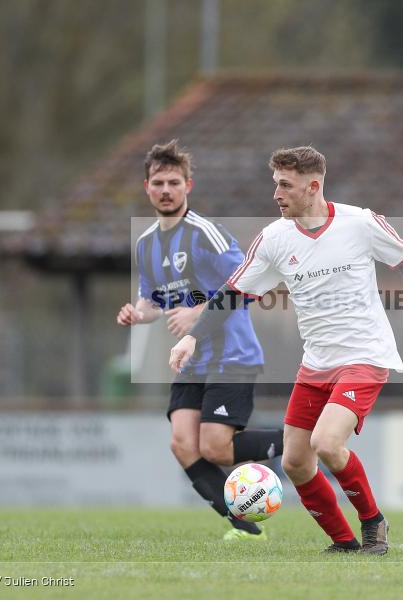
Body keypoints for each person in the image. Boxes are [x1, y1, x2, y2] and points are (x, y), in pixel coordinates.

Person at [170, 146, 403, 554]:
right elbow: (234, 292)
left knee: (328, 444)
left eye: (285, 185)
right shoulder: (273, 239)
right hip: (316, 364)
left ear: (313, 186)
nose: (276, 193)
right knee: (295, 463)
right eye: (275, 184)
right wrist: (192, 335)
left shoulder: (360, 222)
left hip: (364, 357)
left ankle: (373, 522)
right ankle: (344, 544)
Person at [117, 140, 283, 541]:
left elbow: (247, 283)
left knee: (215, 447)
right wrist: (139, 313)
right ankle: (244, 528)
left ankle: (300, 440)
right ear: (147, 187)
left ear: (188, 186)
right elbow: (154, 299)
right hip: (189, 361)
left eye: (174, 182)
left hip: (231, 355)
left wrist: (199, 311)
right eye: (158, 182)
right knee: (182, 444)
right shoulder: (146, 244)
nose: (166, 190)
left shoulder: (206, 233)